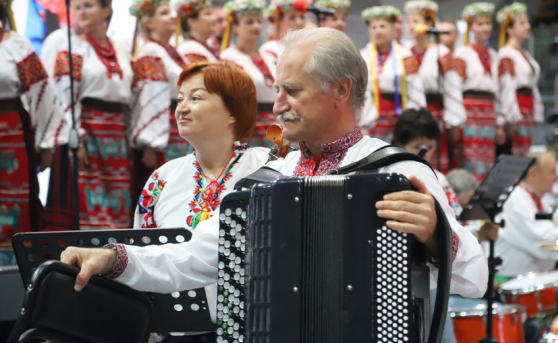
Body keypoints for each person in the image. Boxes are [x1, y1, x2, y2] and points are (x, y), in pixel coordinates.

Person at [61, 28, 487, 312]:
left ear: (341, 90)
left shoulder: (398, 171)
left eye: (292, 90)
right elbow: (193, 256)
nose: (278, 104)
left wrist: (436, 234)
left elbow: (476, 279)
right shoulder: (270, 179)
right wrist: (113, 258)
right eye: (278, 89)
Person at [99, 61, 271, 343]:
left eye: (196, 97)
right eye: (179, 99)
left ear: (232, 112)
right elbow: (143, 262)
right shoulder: (162, 180)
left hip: (259, 341)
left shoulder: (268, 169)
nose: (182, 107)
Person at [392, 109, 477, 343]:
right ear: (399, 142)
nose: (425, 152)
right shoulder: (387, 171)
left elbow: (454, 227)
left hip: (429, 276)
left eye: (429, 145)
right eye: (418, 147)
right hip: (393, 279)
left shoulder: (436, 177)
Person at [43, 0, 134, 230]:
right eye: (77, 6)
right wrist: (77, 138)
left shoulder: (120, 47)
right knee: (85, 195)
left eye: (89, 5)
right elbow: (63, 95)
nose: (81, 11)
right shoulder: (70, 46)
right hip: (86, 129)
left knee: (117, 196)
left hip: (115, 131)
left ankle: (116, 253)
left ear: (107, 10)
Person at [0, 0, 66, 265]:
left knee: (18, 203)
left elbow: (41, 91)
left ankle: (14, 266)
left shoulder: (16, 45)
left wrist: (46, 143)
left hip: (13, 133)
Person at [129, 0, 191, 212]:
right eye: (164, 13)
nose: (172, 17)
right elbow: (151, 97)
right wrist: (151, 143)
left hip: (177, 127)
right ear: (149, 22)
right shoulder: (152, 51)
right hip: (165, 132)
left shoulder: (171, 51)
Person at [495, 152, 558, 279]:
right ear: (533, 173)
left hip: (534, 277)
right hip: (511, 280)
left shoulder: (538, 198)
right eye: (552, 172)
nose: (557, 178)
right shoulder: (515, 201)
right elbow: (545, 240)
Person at [444, 2, 501, 182]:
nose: (485, 28)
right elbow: (453, 86)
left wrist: (499, 121)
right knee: (469, 158)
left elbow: (499, 91)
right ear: (471, 27)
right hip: (469, 112)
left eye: (488, 23)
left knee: (488, 160)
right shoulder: (462, 53)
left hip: (489, 113)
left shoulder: (494, 55)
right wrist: (455, 120)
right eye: (480, 24)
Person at [360, 6, 426, 143]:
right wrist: (361, 122)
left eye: (383, 26)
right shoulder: (363, 56)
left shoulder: (406, 55)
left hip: (399, 116)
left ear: (393, 28)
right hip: (371, 115)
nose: (378, 31)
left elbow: (415, 89)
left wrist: (413, 120)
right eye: (374, 27)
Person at [404, 1, 454, 174]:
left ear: (429, 24)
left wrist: (452, 116)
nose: (411, 26)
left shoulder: (440, 51)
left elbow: (451, 86)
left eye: (416, 21)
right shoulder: (404, 52)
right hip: (410, 111)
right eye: (409, 22)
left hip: (435, 110)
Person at [220, 0, 277, 147]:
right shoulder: (229, 57)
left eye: (259, 21)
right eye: (250, 22)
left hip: (277, 124)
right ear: (235, 27)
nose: (256, 26)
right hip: (250, 124)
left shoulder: (270, 56)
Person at [496, 2, 543, 157]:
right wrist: (510, 117)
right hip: (518, 107)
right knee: (517, 152)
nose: (527, 26)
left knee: (526, 151)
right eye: (522, 23)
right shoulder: (506, 54)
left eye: (527, 22)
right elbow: (506, 88)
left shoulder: (524, 54)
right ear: (509, 29)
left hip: (528, 106)